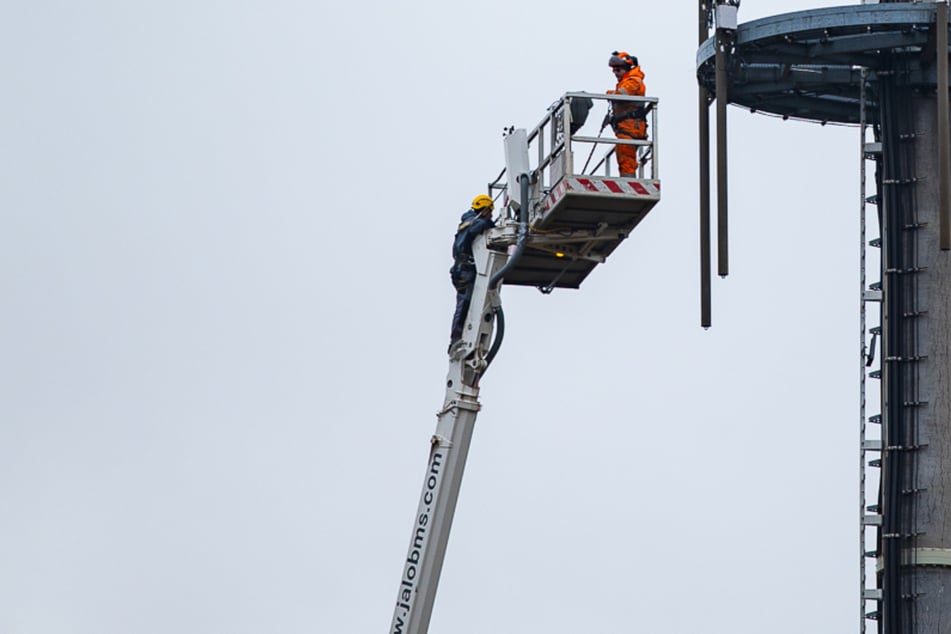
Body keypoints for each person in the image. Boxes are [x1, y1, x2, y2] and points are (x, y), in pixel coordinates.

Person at [448, 194, 496, 354]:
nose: (491, 215)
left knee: (470, 303)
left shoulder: (468, 221)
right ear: (484, 209)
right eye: (489, 212)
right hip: (464, 270)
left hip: (464, 269)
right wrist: (490, 224)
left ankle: (460, 337)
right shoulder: (473, 222)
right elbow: (476, 228)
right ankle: (456, 339)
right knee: (465, 303)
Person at [606, 51, 647, 177]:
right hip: (626, 128)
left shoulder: (634, 81)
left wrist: (610, 94)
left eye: (617, 70)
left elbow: (622, 96)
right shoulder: (626, 81)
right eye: (613, 70)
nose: (615, 73)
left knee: (626, 156)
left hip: (631, 128)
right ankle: (627, 180)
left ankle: (629, 184)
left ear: (626, 68)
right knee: (623, 153)